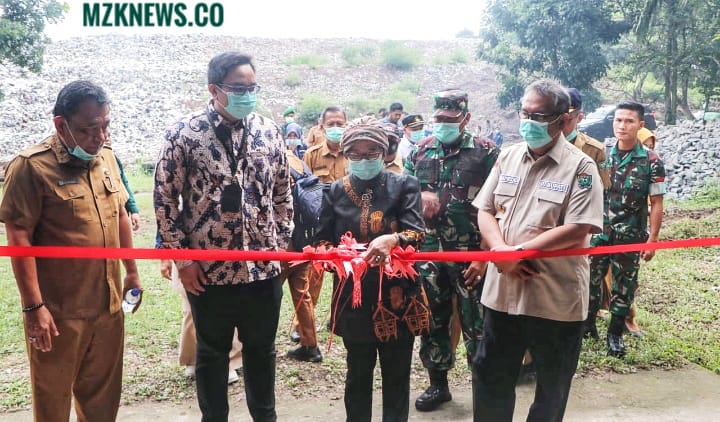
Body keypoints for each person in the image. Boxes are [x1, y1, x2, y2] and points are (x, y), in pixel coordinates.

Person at [154, 51, 293, 421]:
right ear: (214, 89)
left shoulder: (268, 130)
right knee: (212, 354)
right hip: (208, 274)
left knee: (262, 352)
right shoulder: (184, 134)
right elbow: (165, 200)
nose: (247, 95)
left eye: (252, 88)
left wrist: (279, 247)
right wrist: (183, 260)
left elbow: (283, 193)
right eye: (238, 89)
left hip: (262, 270)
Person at [0, 80, 142, 421]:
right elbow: (19, 237)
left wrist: (132, 272)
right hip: (59, 314)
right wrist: (34, 307)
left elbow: (121, 215)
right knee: (53, 403)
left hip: (108, 307)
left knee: (102, 404)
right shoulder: (31, 167)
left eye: (105, 126)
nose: (100, 136)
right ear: (61, 125)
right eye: (89, 129)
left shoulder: (107, 158)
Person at [471, 79, 603, 421]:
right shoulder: (508, 156)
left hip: (554, 298)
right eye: (525, 113)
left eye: (539, 116)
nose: (529, 122)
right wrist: (502, 252)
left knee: (551, 386)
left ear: (563, 120)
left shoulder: (581, 167)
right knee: (491, 375)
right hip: (503, 293)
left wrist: (518, 252)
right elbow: (485, 210)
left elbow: (579, 227)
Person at [315, 118, 428, 422]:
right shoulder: (334, 191)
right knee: (357, 374)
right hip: (354, 297)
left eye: (371, 153)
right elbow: (322, 239)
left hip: (397, 298)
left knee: (397, 375)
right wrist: (334, 256)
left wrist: (394, 240)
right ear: (346, 154)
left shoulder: (404, 185)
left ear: (383, 152)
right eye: (355, 154)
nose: (363, 160)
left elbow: (417, 234)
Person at [405, 89, 499, 412]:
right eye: (438, 119)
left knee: (478, 323)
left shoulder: (487, 152)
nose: (443, 124)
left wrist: (484, 256)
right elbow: (404, 197)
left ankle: (484, 388)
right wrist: (418, 200)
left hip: (470, 254)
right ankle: (438, 385)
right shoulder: (420, 151)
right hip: (430, 254)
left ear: (465, 118)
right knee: (432, 322)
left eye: (450, 119)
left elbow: (501, 206)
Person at [587, 101, 666, 358]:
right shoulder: (602, 156)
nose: (622, 126)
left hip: (629, 236)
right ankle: (587, 325)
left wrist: (652, 239)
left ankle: (615, 333)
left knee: (624, 285)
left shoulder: (651, 161)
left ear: (640, 125)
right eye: (618, 120)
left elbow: (656, 202)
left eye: (629, 121)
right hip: (599, 233)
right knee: (590, 279)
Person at [159, 259, 244, 383]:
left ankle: (228, 361)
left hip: (228, 259)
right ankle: (193, 358)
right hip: (187, 257)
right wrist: (164, 258)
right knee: (191, 304)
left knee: (224, 304)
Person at [283, 148, 323, 362]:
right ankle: (310, 345)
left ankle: (262, 346)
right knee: (302, 294)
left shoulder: (275, 161)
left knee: (269, 295)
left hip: (283, 245)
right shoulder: (300, 164)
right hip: (304, 241)